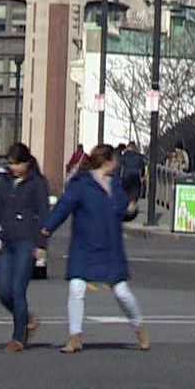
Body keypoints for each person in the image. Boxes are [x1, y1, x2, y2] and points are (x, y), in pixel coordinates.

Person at [41, 144, 149, 352]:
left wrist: (131, 209)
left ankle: (139, 328)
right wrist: (47, 227)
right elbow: (64, 206)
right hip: (84, 246)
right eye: (115, 160)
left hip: (110, 247)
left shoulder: (116, 186)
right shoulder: (81, 184)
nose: (117, 164)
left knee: (122, 292)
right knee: (77, 288)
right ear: (107, 162)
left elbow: (123, 210)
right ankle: (75, 336)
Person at [0, 143, 50, 352]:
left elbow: (45, 215)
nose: (13, 168)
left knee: (18, 289)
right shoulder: (4, 182)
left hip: (26, 242)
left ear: (27, 163)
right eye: (10, 164)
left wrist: (41, 244)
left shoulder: (37, 183)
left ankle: (19, 337)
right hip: (7, 241)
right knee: (3, 290)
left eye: (17, 164)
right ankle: (26, 317)